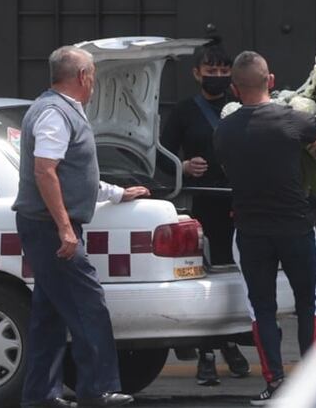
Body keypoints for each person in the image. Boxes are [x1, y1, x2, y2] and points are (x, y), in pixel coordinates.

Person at [213, 51, 316, 405]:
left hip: (251, 231)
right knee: (309, 303)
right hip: (296, 227)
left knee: (262, 308)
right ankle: (313, 385)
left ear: (235, 89)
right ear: (270, 81)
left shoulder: (224, 129)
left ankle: (275, 384)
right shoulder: (291, 120)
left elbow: (230, 170)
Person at [13, 45, 148, 408]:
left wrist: (118, 193)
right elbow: (45, 170)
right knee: (88, 304)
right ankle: (98, 388)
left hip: (46, 225)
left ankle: (40, 394)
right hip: (49, 227)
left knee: (50, 312)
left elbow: (74, 175)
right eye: (94, 77)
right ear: (84, 77)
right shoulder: (56, 113)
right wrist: (64, 228)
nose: (95, 84)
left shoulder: (58, 109)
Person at [159, 42, 251, 385]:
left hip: (241, 202)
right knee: (208, 277)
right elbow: (159, 157)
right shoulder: (185, 111)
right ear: (196, 73)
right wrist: (183, 166)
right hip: (207, 204)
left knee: (237, 276)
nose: (217, 77)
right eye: (210, 72)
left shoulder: (242, 104)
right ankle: (209, 352)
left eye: (223, 71)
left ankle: (229, 341)